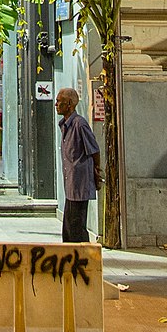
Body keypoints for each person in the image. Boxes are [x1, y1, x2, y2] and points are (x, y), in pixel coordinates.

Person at [56, 87, 100, 243]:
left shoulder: (80, 124)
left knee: (77, 226)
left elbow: (94, 150)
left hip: (79, 183)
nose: (56, 105)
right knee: (68, 227)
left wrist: (96, 172)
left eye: (59, 101)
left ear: (69, 104)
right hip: (70, 184)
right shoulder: (65, 125)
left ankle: (82, 257)